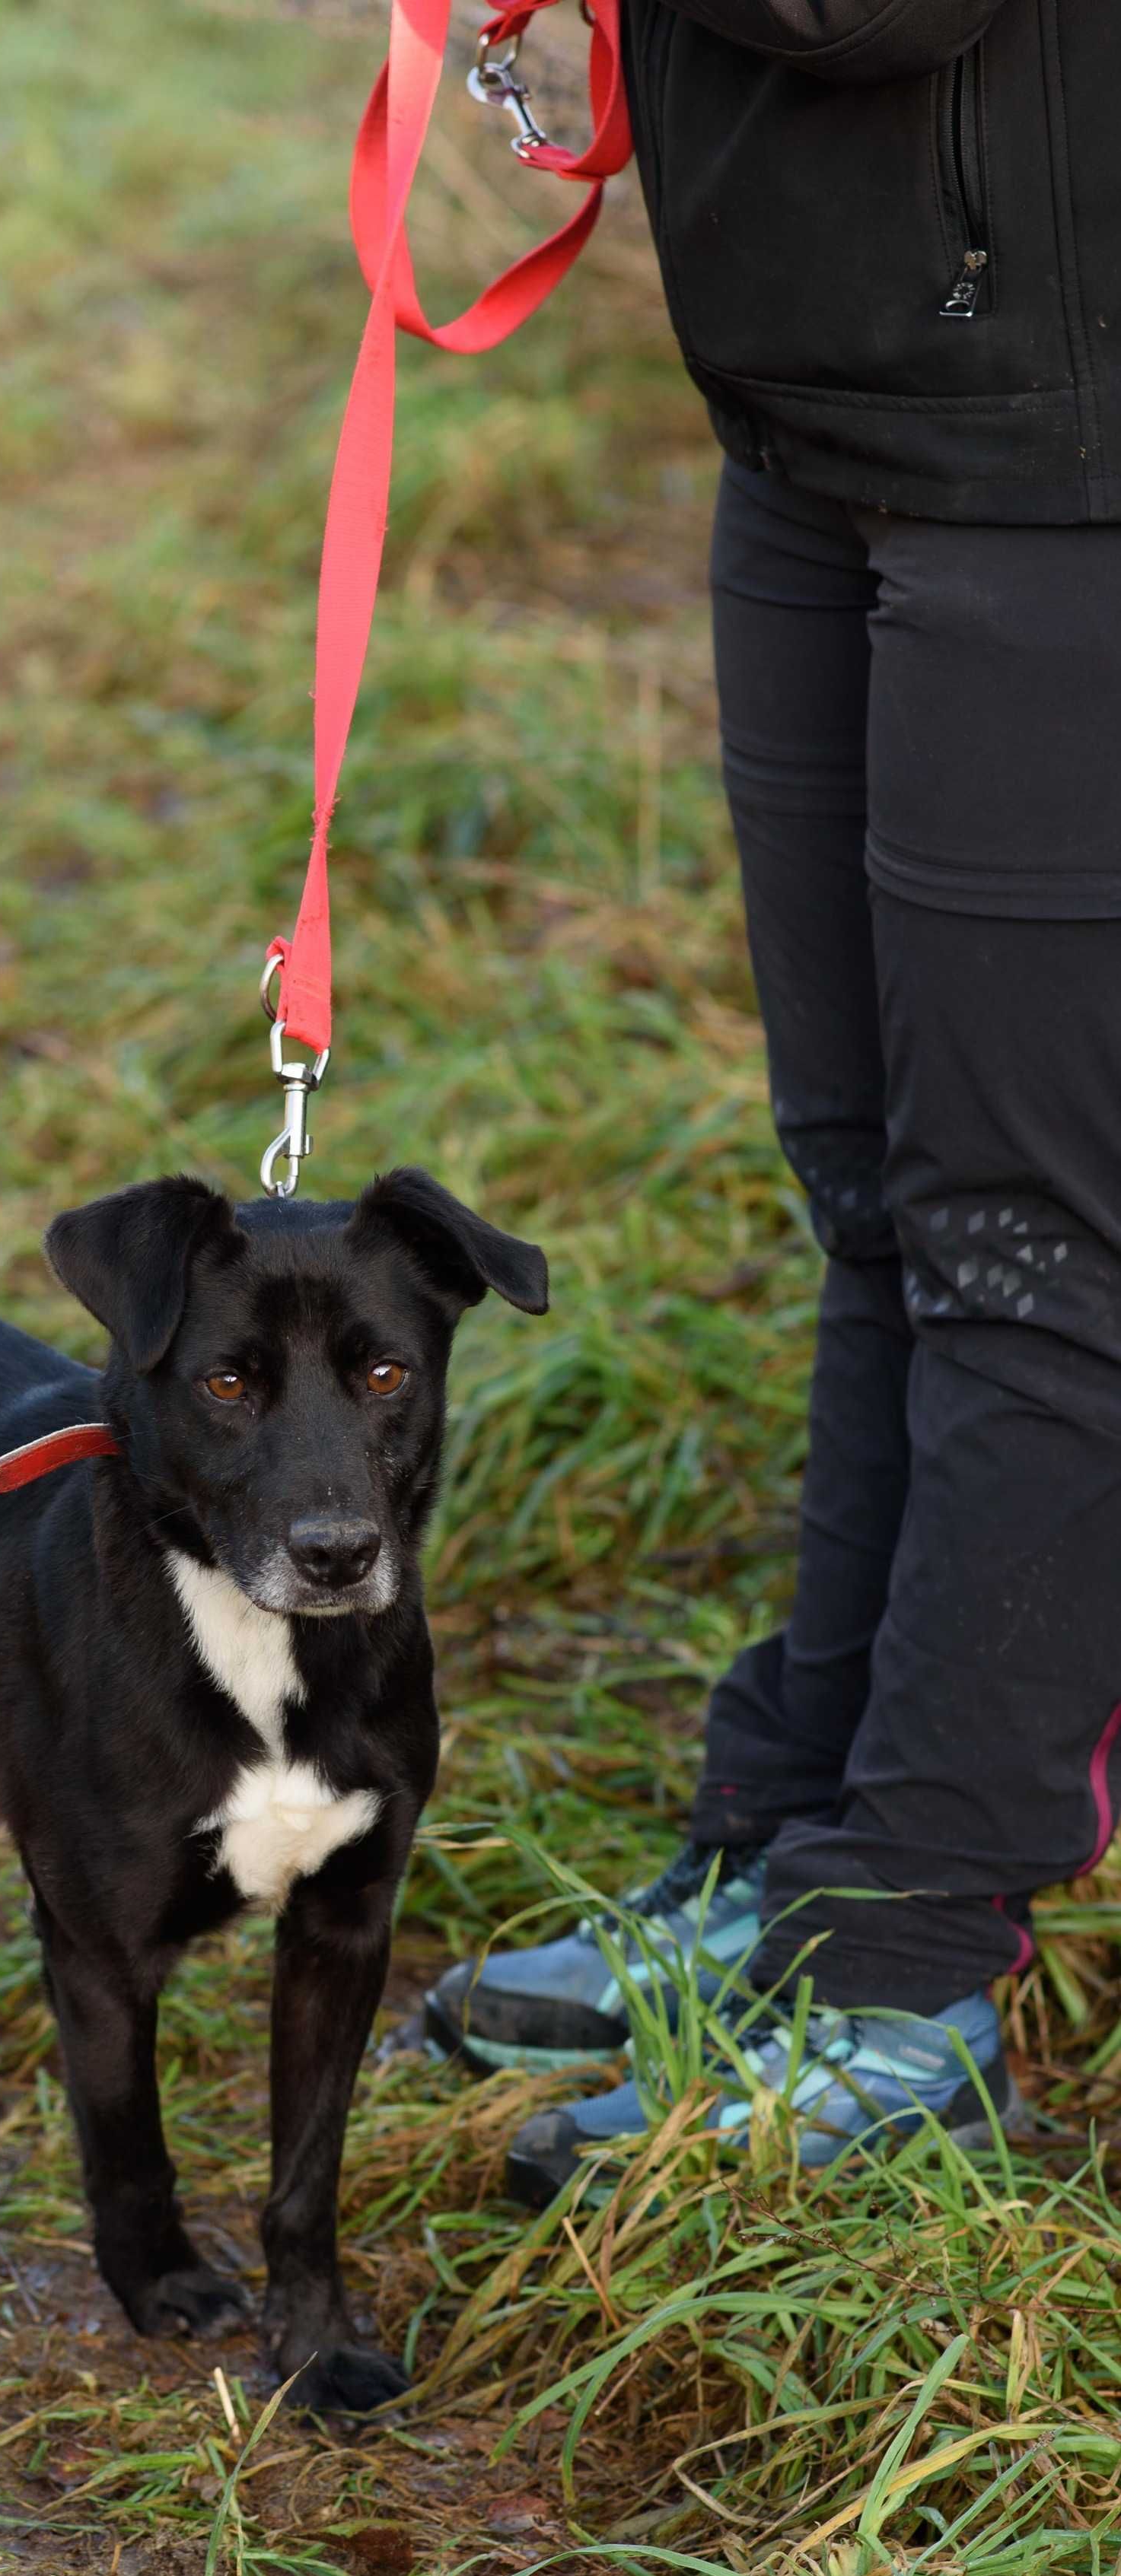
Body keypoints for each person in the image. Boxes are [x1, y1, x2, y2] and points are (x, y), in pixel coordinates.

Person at [425, 0, 1121, 2201]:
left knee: (1032, 1240)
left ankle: (907, 1970)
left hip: (1063, 438)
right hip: (825, 387)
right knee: (880, 1198)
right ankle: (796, 1843)